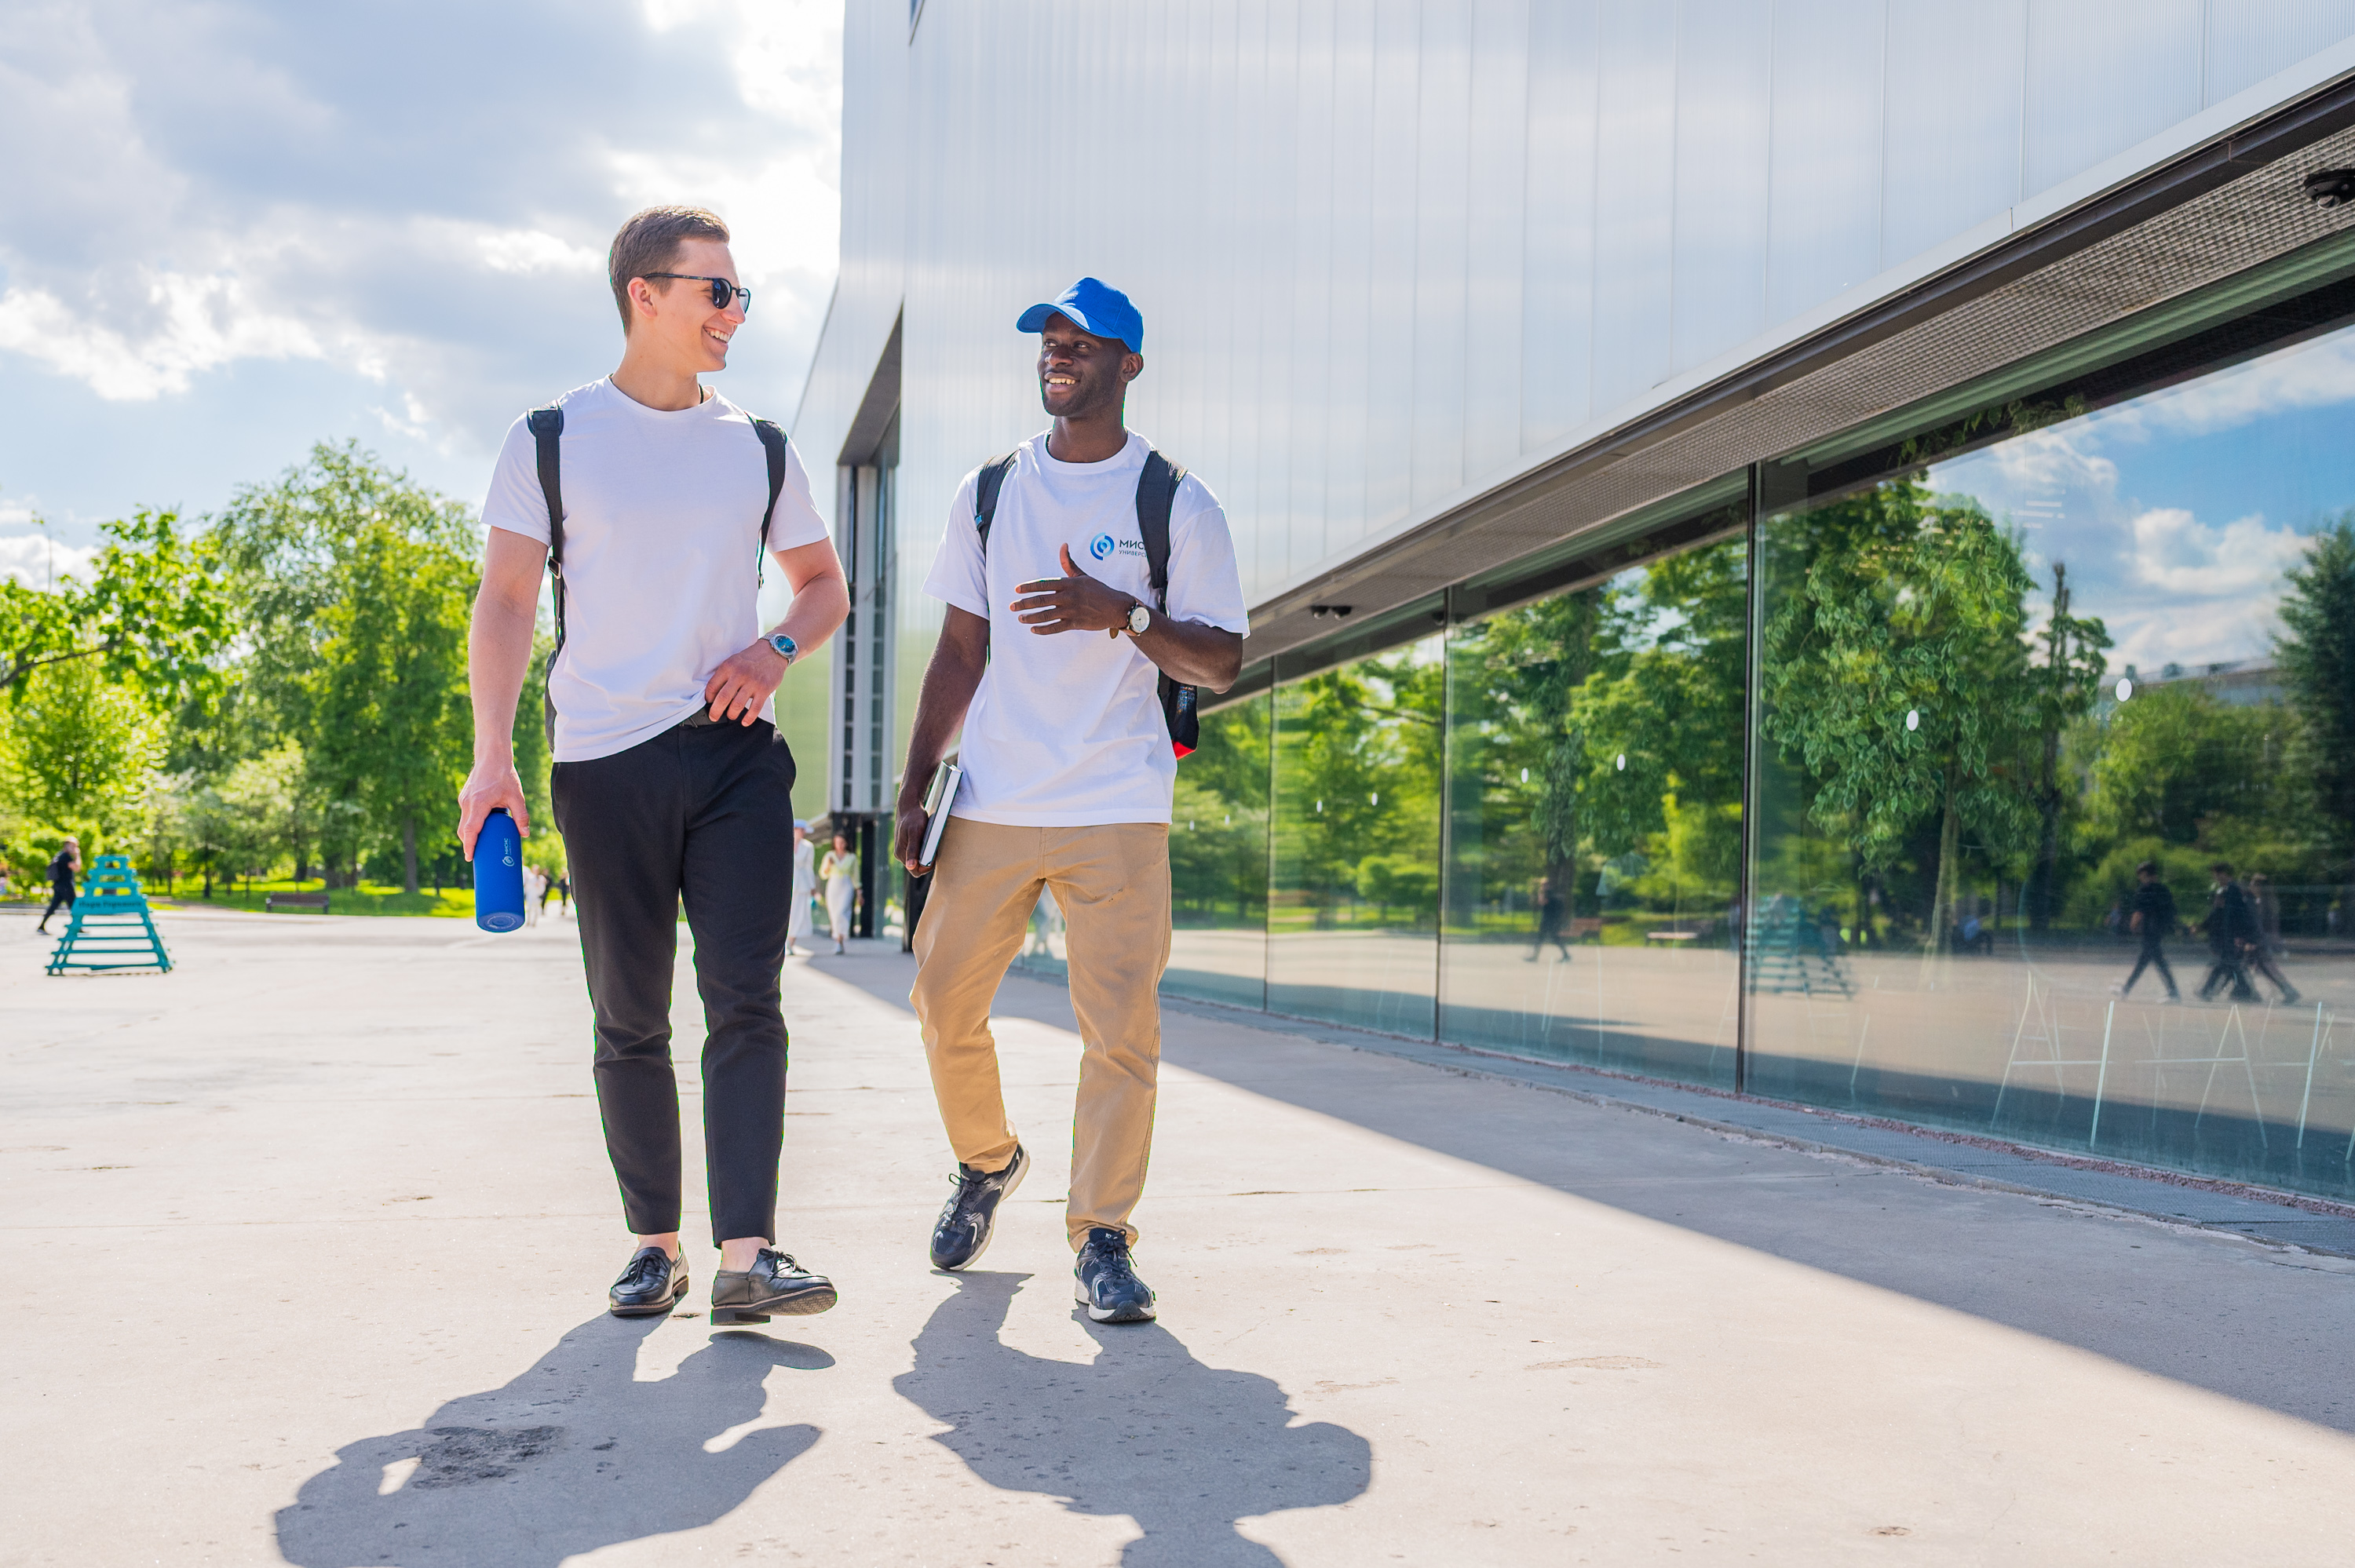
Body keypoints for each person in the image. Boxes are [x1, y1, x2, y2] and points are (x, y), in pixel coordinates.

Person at [457, 204, 849, 1325]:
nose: (735, 313)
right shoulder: (551, 438)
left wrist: (775, 651)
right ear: (646, 294)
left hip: (733, 759)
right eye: (715, 292)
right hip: (603, 758)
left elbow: (823, 587)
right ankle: (655, 1246)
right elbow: (507, 600)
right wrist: (493, 756)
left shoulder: (758, 446)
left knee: (746, 999)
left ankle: (748, 1257)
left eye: (740, 294)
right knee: (629, 1013)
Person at [894, 278, 1247, 1324]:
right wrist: (913, 785)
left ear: (1127, 364)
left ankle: (1102, 1237)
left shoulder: (1177, 502)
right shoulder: (990, 491)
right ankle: (986, 1160)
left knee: (1120, 1032)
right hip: (994, 797)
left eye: (1081, 342)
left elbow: (1222, 660)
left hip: (1118, 801)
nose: (1058, 353)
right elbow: (960, 651)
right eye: (1049, 339)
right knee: (942, 1000)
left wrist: (1123, 613)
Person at [2115, 861, 2181, 1003]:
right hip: (2160, 929)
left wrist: (2133, 925)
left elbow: (2139, 911)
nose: (2140, 878)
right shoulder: (2164, 889)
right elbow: (2173, 911)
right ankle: (2126, 989)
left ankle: (2173, 992)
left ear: (2145, 874)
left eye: (2140, 875)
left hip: (2149, 929)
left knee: (2150, 961)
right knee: (2150, 960)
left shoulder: (2144, 890)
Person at [2197, 861, 2260, 1004]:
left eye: (2217, 875)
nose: (2215, 878)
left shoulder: (2233, 891)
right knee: (2230, 965)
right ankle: (2246, 991)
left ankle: (2207, 991)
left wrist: (2240, 935)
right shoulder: (2229, 890)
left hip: (2232, 936)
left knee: (2224, 964)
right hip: (2229, 935)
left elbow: (2240, 916)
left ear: (2224, 874)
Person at [2242, 871, 2300, 1004]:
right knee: (2263, 967)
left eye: (2253, 884)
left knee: (2258, 967)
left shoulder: (2263, 904)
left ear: (2259, 887)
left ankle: (2287, 991)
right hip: (2261, 939)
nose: (2250, 886)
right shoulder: (2261, 902)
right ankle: (2285, 991)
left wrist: (2254, 940)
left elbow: (2262, 925)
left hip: (2260, 940)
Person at [819, 831, 857, 955]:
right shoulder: (829, 856)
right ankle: (838, 941)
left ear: (846, 843)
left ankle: (840, 939)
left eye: (842, 843)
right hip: (833, 887)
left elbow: (855, 877)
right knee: (834, 914)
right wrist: (828, 866)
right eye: (837, 843)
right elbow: (823, 874)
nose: (840, 845)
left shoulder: (852, 857)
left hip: (846, 886)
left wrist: (859, 892)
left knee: (841, 912)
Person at [36, 837, 79, 935]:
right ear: (67, 846)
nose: (75, 848)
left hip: (58, 885)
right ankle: (78, 926)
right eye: (74, 846)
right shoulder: (66, 857)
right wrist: (77, 855)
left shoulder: (60, 855)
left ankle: (41, 926)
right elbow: (77, 868)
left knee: (54, 906)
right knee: (74, 906)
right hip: (65, 886)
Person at [787, 819, 816, 957]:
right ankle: (786, 941)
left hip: (802, 884)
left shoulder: (808, 847)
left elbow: (809, 867)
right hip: (788, 882)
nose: (802, 833)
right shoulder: (786, 842)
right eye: (800, 830)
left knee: (798, 914)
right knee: (788, 913)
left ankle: (791, 942)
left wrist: (812, 886)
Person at [1526, 873, 1571, 961]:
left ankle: (1535, 957)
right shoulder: (1552, 893)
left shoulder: (1548, 894)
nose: (1542, 886)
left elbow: (1542, 902)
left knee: (1547, 938)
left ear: (1548, 885)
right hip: (1552, 920)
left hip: (1548, 920)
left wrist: (1540, 893)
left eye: (1543, 885)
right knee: (1549, 937)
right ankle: (1565, 955)